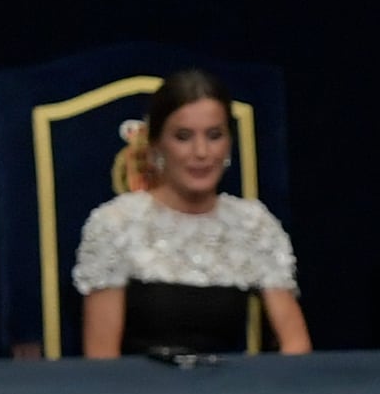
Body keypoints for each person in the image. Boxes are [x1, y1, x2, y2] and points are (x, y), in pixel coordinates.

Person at [74, 71, 311, 358]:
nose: (201, 152)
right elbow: (101, 361)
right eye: (183, 137)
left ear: (229, 145)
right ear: (157, 145)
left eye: (214, 135)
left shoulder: (254, 224)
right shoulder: (115, 225)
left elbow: (296, 346)